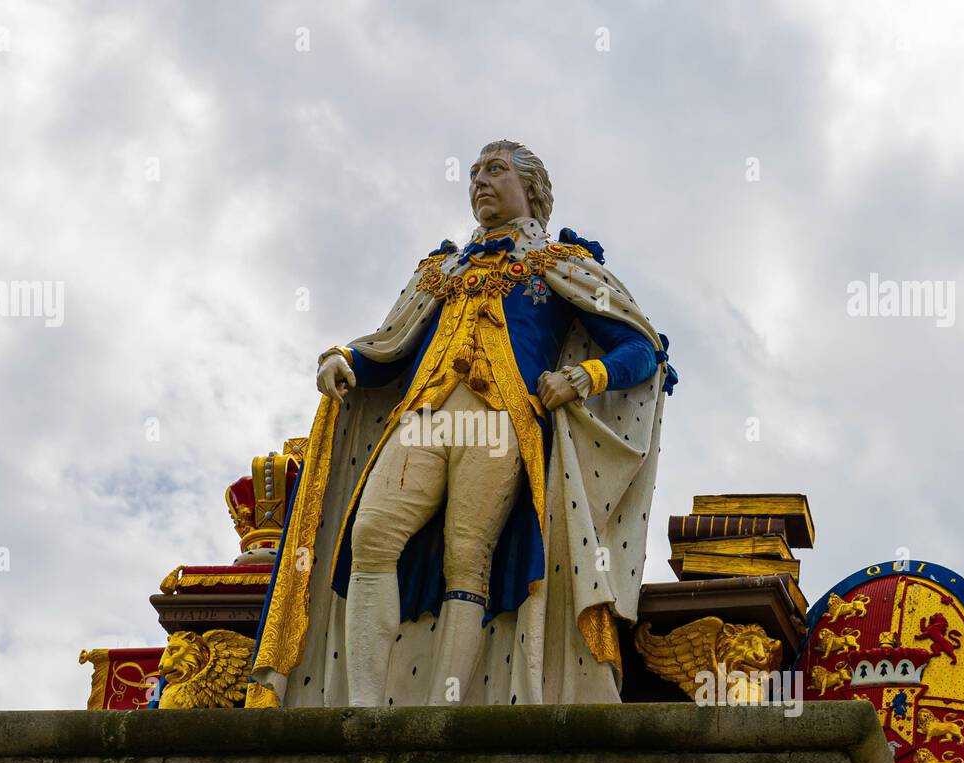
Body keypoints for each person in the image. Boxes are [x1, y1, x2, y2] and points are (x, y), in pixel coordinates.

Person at [248, 140, 677, 708]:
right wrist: (344, 359)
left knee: (467, 559)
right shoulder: (439, 271)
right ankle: (362, 712)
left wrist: (585, 376)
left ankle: (443, 712)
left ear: (532, 189)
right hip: (424, 417)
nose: (479, 179)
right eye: (474, 171)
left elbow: (640, 347)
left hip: (502, 421)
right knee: (370, 535)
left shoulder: (560, 265)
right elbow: (392, 346)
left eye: (494, 170)